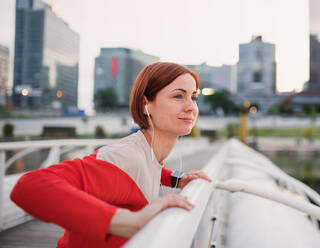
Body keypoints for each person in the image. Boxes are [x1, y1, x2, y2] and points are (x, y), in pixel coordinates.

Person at [10, 62, 211, 248]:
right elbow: (29, 186)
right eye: (178, 96)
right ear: (146, 105)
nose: (191, 107)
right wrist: (132, 222)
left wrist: (177, 179)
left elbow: (149, 169)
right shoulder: (125, 156)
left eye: (193, 97)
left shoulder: (147, 152)